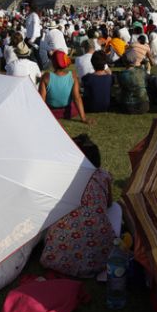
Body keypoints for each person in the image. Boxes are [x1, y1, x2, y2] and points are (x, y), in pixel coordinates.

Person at [39, 134, 117, 278]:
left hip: (57, 257)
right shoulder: (103, 176)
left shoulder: (63, 178)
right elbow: (110, 203)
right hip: (98, 258)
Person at [39, 50, 92, 124]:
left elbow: (41, 100)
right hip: (69, 112)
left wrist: (41, 116)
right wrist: (83, 118)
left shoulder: (46, 77)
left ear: (53, 62)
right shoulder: (72, 76)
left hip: (51, 112)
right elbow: (77, 98)